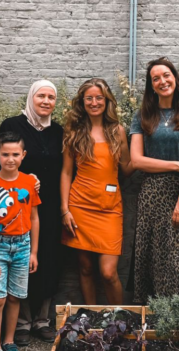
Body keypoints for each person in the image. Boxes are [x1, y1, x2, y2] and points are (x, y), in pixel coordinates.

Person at [129, 57, 179, 303]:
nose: (162, 81)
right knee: (149, 254)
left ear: (175, 78)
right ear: (151, 86)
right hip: (151, 192)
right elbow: (137, 161)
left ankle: (174, 315)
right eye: (156, 78)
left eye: (166, 75)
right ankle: (148, 317)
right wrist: (177, 165)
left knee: (175, 257)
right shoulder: (142, 115)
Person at [0, 80, 63, 345]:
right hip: (18, 204)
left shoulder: (58, 130)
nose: (46, 101)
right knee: (21, 258)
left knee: (49, 259)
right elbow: (1, 160)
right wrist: (23, 177)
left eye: (51, 97)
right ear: (31, 98)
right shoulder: (12, 125)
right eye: (41, 96)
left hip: (50, 205)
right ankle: (22, 322)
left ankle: (43, 319)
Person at [61, 78, 133, 305]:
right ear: (82, 102)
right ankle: (90, 318)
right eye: (89, 98)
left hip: (110, 208)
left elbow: (128, 169)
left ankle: (118, 320)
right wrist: (64, 210)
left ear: (107, 101)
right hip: (80, 206)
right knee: (85, 268)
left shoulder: (118, 131)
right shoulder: (73, 132)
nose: (94, 102)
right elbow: (66, 173)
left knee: (108, 272)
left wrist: (152, 160)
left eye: (99, 98)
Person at [0, 131, 40, 351]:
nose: (10, 159)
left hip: (23, 245)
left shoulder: (29, 182)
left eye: (16, 154)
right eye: (5, 154)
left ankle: (9, 342)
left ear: (23, 155)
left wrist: (34, 252)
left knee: (15, 297)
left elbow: (35, 218)